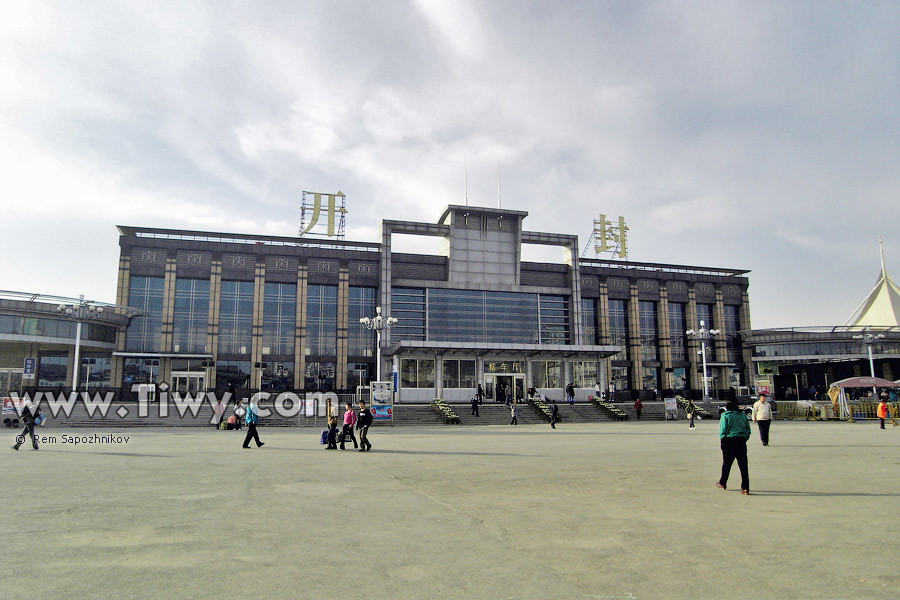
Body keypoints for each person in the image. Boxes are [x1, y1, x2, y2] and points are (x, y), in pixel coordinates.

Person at [717, 398, 751, 494]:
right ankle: (745, 487)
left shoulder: (726, 415)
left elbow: (723, 430)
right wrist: (744, 438)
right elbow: (748, 430)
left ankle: (723, 482)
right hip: (741, 441)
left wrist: (723, 440)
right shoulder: (743, 416)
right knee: (743, 466)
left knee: (727, 464)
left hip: (729, 441)